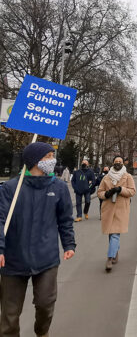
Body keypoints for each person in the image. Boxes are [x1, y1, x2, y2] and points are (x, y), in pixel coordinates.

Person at [0, 142, 76, 337]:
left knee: (45, 304)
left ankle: (42, 333)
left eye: (52, 156)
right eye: (48, 156)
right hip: (13, 260)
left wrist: (68, 244)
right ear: (34, 161)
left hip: (46, 258)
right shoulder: (10, 189)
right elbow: (1, 220)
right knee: (9, 314)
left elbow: (65, 219)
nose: (53, 161)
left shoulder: (59, 187)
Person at [97, 156, 136, 272]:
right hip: (108, 209)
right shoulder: (106, 177)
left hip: (121, 209)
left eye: (120, 161)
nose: (118, 163)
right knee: (111, 233)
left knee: (115, 234)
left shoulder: (127, 176)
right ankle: (115, 253)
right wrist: (107, 194)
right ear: (113, 163)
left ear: (123, 164)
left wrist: (120, 190)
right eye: (116, 161)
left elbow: (132, 191)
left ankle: (109, 258)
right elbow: (99, 192)